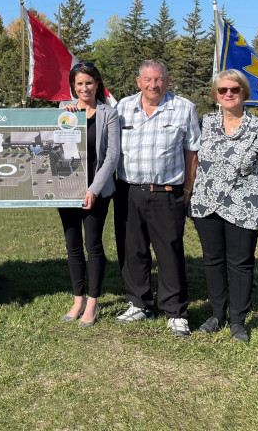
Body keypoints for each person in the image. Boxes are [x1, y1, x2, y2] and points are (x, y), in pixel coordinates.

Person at [189, 69, 258, 342]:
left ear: (244, 92)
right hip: (206, 204)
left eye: (234, 89)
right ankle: (217, 314)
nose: (229, 94)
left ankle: (238, 321)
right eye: (223, 90)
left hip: (244, 206)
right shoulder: (205, 123)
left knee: (240, 264)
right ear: (216, 94)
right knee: (213, 261)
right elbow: (192, 156)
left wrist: (250, 179)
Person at [113, 60, 200, 337]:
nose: (154, 85)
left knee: (169, 253)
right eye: (148, 80)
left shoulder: (184, 108)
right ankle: (138, 303)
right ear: (138, 82)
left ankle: (175, 311)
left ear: (167, 80)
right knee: (132, 250)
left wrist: (188, 190)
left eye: (159, 79)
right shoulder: (123, 108)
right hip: (129, 191)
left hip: (167, 192)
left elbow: (192, 152)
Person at [57, 63, 120, 326]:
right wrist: (66, 117)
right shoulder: (63, 111)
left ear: (97, 84)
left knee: (92, 244)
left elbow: (112, 155)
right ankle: (78, 299)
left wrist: (93, 190)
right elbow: (54, 147)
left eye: (89, 83)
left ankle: (92, 302)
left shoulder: (109, 114)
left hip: (97, 191)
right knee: (72, 245)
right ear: (74, 86)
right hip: (67, 189)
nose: (85, 88)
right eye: (80, 84)